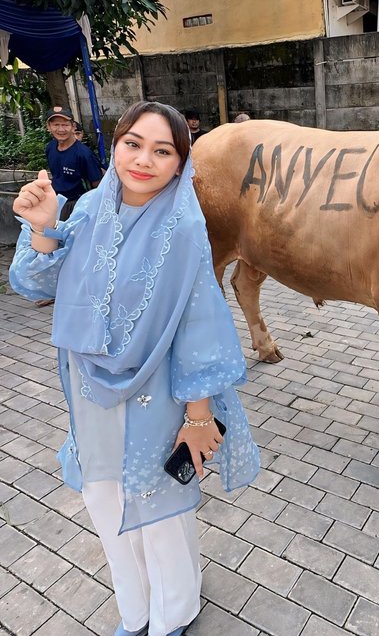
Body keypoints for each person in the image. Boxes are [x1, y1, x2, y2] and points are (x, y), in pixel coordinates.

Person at [9, 101, 260, 636]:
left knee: (158, 506)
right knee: (103, 498)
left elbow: (200, 327)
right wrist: (43, 228)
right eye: (133, 144)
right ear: (115, 146)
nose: (144, 159)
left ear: (180, 163)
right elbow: (36, 284)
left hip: (157, 393)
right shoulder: (92, 208)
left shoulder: (184, 228)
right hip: (89, 389)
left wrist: (198, 416)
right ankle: (136, 610)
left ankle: (174, 612)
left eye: (162, 150)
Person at [45, 106, 103, 220]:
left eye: (65, 125)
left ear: (73, 126)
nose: (61, 129)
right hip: (56, 202)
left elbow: (98, 185)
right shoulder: (50, 147)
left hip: (78, 205)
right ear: (49, 127)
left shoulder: (84, 154)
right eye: (56, 125)